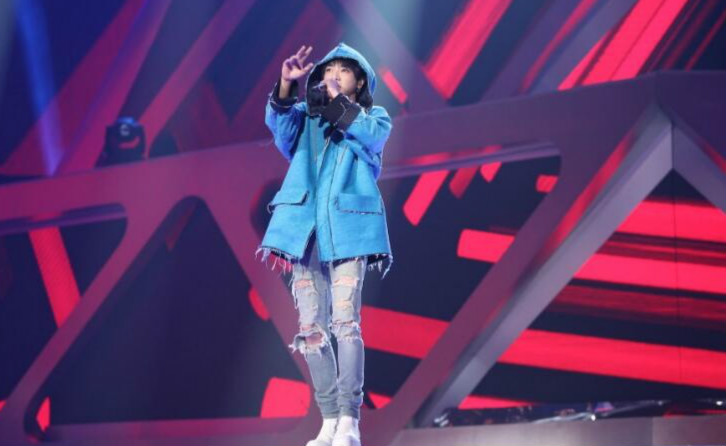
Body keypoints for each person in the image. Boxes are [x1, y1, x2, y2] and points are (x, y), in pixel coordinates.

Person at [255, 43, 393, 446]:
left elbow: (370, 136)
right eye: (328, 69)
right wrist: (286, 85)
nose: (333, 74)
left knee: (345, 323)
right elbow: (280, 128)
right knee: (311, 330)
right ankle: (329, 418)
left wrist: (337, 104)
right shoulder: (306, 120)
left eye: (343, 70)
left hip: (348, 231)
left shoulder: (372, 119)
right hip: (306, 233)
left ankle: (350, 418)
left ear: (359, 82)